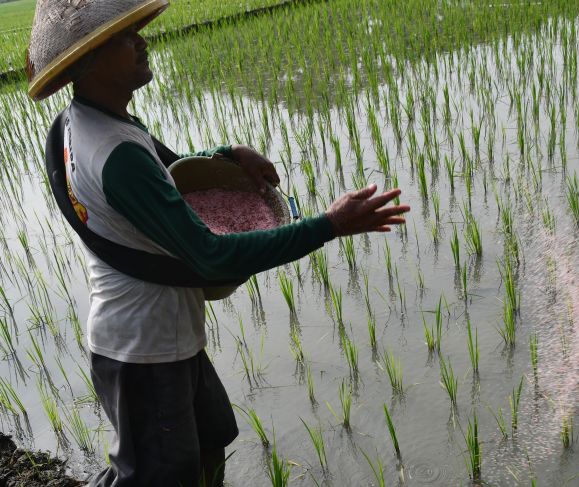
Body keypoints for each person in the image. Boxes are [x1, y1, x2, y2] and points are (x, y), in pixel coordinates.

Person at [26, 1, 410, 486]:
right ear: (89, 61)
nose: (144, 40)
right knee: (155, 477)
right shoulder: (115, 153)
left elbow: (164, 176)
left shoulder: (82, 122)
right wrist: (329, 225)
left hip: (159, 336)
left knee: (210, 441)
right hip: (143, 349)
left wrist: (224, 154)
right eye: (127, 38)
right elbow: (212, 256)